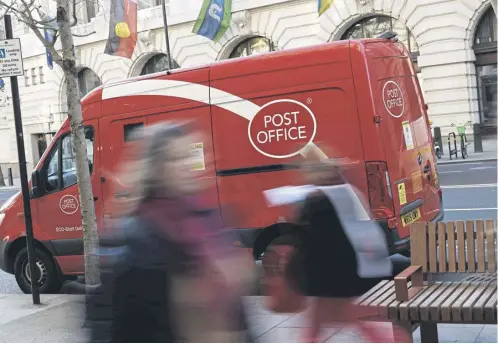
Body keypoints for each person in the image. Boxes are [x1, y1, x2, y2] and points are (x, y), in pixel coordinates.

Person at [85, 122, 254, 343]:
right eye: (175, 159)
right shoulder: (136, 235)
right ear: (156, 168)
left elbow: (235, 307)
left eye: (188, 157)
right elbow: (112, 319)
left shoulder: (205, 219)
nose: (186, 165)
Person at [286, 147, 405, 343]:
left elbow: (310, 240)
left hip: (329, 276)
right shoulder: (346, 192)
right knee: (335, 321)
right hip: (347, 271)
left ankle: (395, 341)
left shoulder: (317, 200)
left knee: (345, 319)